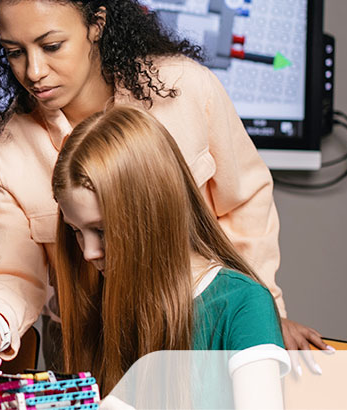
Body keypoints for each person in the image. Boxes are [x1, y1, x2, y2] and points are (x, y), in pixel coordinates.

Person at [0, 0, 330, 387]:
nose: (33, 71)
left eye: (51, 46)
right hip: (87, 343)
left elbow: (244, 201)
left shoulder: (186, 89)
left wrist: (262, 311)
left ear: (95, 24)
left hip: (195, 324)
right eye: (14, 52)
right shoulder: (1, 153)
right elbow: (12, 269)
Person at [52, 105, 289, 407]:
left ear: (152, 214)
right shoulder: (113, 299)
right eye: (76, 231)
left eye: (102, 231)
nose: (88, 253)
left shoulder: (243, 304)